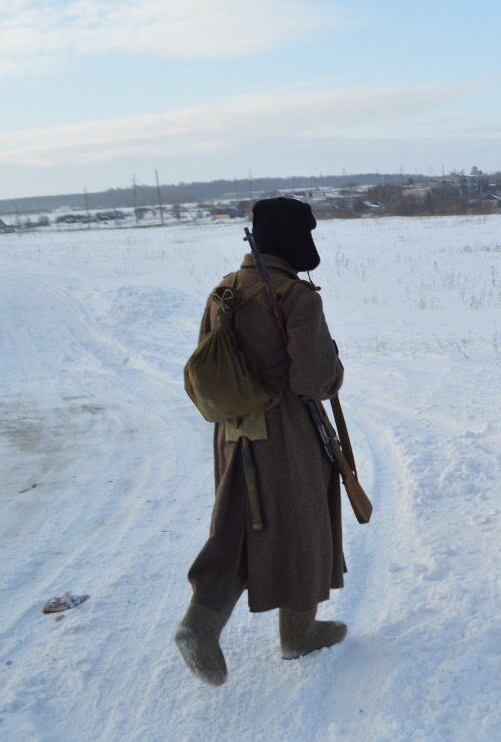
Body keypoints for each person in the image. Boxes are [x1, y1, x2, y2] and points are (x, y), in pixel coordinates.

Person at [176, 197, 347, 687]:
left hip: (233, 435)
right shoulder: (295, 296)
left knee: (236, 530)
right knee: (301, 524)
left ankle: (199, 625)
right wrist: (335, 368)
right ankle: (299, 633)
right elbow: (316, 379)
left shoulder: (223, 291)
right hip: (287, 434)